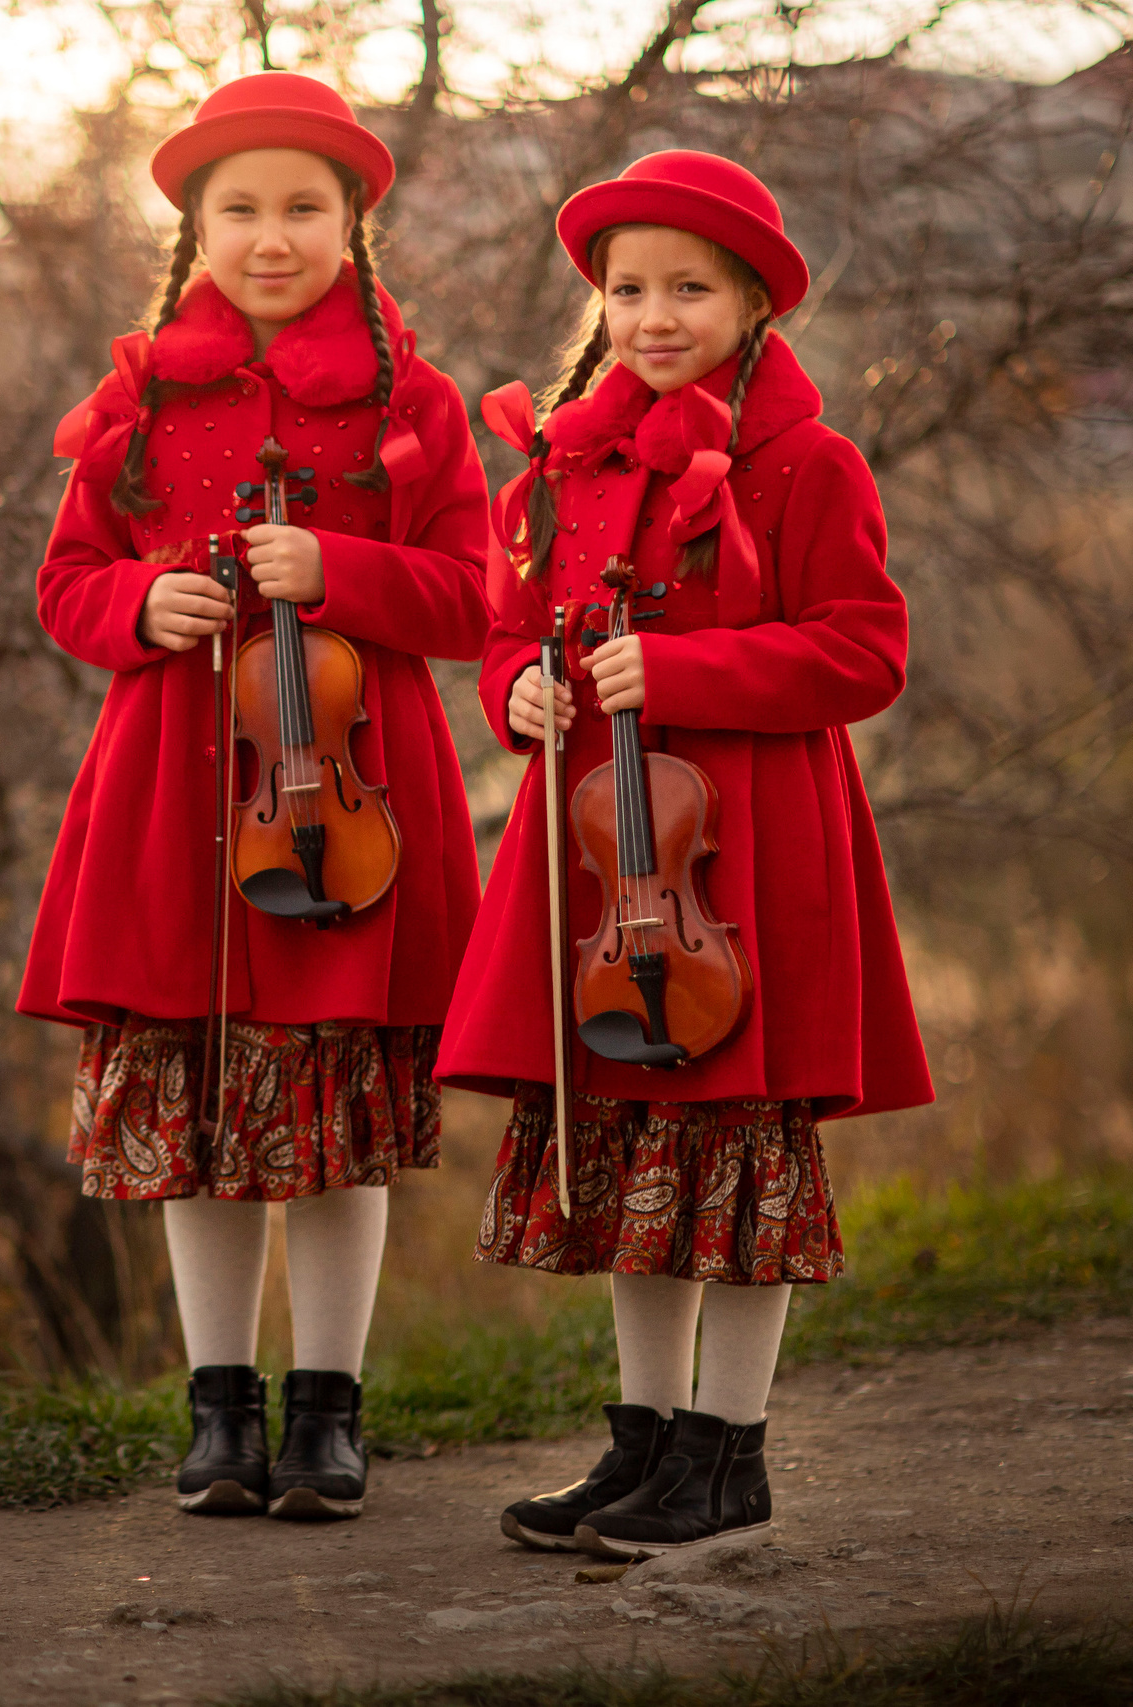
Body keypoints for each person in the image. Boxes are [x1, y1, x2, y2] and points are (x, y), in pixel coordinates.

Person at [437, 151, 934, 1558]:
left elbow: (864, 649)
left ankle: (731, 1457)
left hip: (748, 862)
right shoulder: (559, 463)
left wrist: (691, 668)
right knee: (627, 1151)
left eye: (691, 288)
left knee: (735, 1145)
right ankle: (643, 1447)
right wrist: (515, 694)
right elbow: (503, 626)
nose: (656, 314)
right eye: (629, 287)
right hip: (603, 863)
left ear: (754, 303)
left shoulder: (804, 464)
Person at [19, 72, 492, 1521]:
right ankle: (219, 1409)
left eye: (305, 206)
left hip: (348, 800)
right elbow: (65, 581)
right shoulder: (142, 395)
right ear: (193, 226)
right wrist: (138, 602)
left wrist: (340, 573)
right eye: (240, 209)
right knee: (204, 1114)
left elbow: (480, 597)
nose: (271, 235)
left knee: (332, 1111)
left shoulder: (415, 404)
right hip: (174, 789)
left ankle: (329, 1412)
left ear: (356, 222)